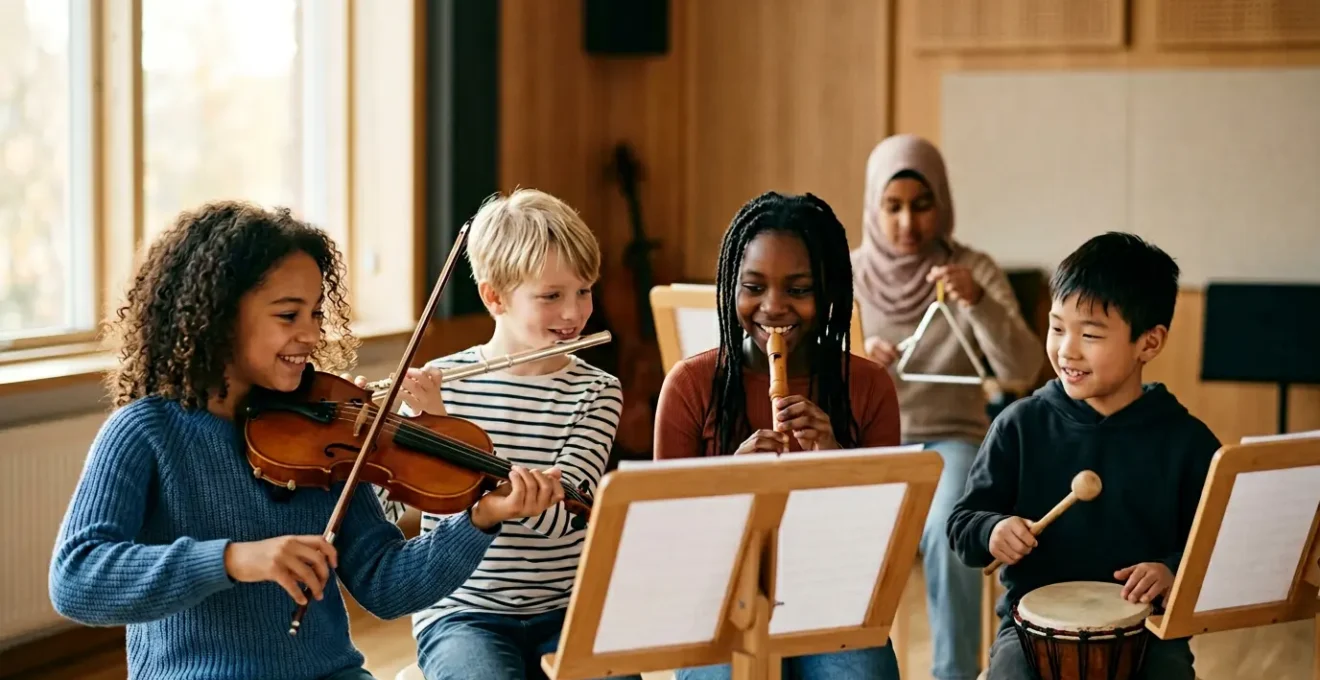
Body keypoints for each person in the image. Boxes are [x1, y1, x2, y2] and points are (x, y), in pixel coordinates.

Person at [48, 201, 562, 680]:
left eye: (316, 313)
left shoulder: (329, 433)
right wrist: (232, 559)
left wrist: (478, 520)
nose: (312, 334)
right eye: (288, 315)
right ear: (219, 316)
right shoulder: (145, 431)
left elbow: (386, 584)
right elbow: (76, 578)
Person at [377, 189, 638, 680]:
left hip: (566, 610)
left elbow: (562, 519)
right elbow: (395, 509)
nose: (574, 313)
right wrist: (401, 434)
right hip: (462, 612)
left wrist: (450, 440)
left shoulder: (598, 391)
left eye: (583, 291)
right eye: (551, 296)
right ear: (494, 296)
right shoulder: (440, 383)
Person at [946, 232, 1220, 680]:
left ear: (1148, 343)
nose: (1066, 349)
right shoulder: (1020, 426)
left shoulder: (1187, 443)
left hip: (1148, 630)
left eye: (1090, 334)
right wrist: (992, 530)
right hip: (1029, 629)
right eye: (1057, 328)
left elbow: (1213, 551)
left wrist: (1172, 570)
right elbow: (962, 525)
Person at [653, 191, 902, 679]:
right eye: (754, 287)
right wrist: (732, 483)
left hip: (830, 600)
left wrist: (834, 459)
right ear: (730, 289)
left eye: (799, 289)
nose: (773, 307)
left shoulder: (869, 386)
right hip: (719, 608)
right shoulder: (689, 385)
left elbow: (884, 550)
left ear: (829, 291)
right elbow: (668, 547)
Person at [852, 134, 1043, 680]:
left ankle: (953, 673)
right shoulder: (848, 274)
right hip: (868, 441)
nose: (907, 222)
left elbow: (1025, 365)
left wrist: (977, 304)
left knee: (948, 528)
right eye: (893, 207)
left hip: (951, 440)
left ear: (944, 202)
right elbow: (815, 375)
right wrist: (858, 361)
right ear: (873, 206)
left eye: (921, 204)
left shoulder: (973, 268)